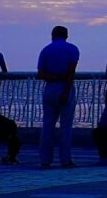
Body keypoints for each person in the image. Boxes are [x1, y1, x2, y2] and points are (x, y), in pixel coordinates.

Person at [37, 25, 80, 168]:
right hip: (64, 87)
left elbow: (41, 73)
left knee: (47, 125)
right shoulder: (72, 49)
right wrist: (66, 91)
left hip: (49, 88)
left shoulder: (45, 50)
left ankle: (45, 159)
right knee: (65, 126)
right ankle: (65, 159)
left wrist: (53, 77)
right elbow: (71, 73)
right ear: (66, 36)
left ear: (52, 35)